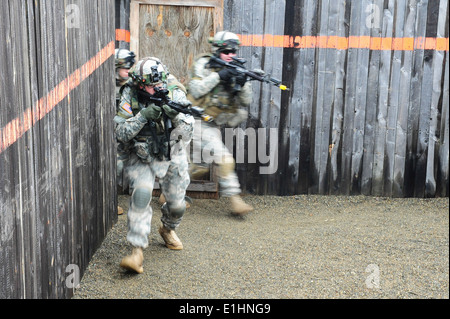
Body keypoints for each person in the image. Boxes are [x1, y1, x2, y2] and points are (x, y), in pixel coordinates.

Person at [114, 57, 194, 274]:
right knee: (140, 197)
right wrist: (142, 116)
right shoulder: (129, 93)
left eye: (159, 83)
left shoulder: (174, 90)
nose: (157, 88)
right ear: (140, 84)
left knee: (177, 205)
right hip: (141, 154)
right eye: (151, 85)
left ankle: (167, 229)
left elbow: (188, 131)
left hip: (172, 153)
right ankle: (136, 251)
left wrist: (175, 115)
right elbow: (120, 133)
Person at [187, 31, 253, 216]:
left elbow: (246, 101)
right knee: (225, 159)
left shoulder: (236, 68)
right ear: (217, 50)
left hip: (213, 123)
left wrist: (242, 83)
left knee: (199, 166)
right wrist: (220, 75)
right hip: (196, 119)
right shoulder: (204, 64)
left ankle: (168, 192)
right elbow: (196, 89)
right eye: (227, 51)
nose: (231, 55)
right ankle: (236, 201)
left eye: (234, 51)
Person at [115, 49, 136, 215]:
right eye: (125, 68)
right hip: (113, 134)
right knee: (116, 165)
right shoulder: (106, 86)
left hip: (129, 131)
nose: (129, 71)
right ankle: (109, 203)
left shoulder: (132, 85)